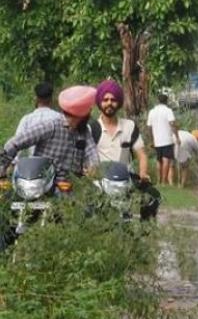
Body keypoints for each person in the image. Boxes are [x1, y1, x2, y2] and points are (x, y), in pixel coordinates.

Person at [91, 79, 161, 219]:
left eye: (113, 99)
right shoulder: (91, 128)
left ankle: (144, 230)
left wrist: (143, 173)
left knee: (154, 197)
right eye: (105, 99)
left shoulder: (129, 126)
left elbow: (141, 154)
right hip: (100, 182)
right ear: (100, 103)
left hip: (126, 179)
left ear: (119, 102)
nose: (109, 103)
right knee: (88, 208)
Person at [0, 86, 99, 181]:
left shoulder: (84, 132)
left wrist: (93, 168)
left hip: (70, 189)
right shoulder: (51, 126)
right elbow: (15, 142)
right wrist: (3, 167)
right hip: (41, 185)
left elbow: (92, 154)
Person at [14, 82, 62, 155]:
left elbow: (16, 142)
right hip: (56, 163)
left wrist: (13, 163)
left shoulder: (27, 119)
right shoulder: (60, 118)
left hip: (34, 164)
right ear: (51, 99)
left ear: (36, 98)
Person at [147, 93, 180, 185]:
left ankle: (158, 180)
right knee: (166, 160)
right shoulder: (168, 111)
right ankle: (164, 181)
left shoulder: (152, 111)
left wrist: (151, 140)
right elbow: (172, 124)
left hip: (157, 141)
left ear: (158, 101)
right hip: (167, 140)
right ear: (166, 101)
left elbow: (149, 127)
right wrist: (177, 137)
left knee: (159, 160)